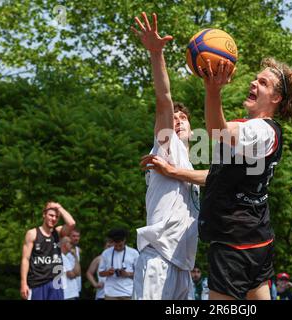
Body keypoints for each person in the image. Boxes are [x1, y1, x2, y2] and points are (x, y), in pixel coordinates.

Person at [142, 41, 292, 300]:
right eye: (255, 79)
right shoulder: (250, 130)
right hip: (257, 239)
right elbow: (216, 176)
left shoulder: (262, 130)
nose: (254, 83)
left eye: (263, 83)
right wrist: (175, 173)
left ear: (276, 98)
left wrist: (213, 89)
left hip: (234, 241)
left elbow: (215, 128)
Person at [130, 12, 203, 300]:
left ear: (193, 130)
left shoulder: (190, 166)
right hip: (159, 256)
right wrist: (156, 53)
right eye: (174, 118)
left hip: (184, 264)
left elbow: (218, 178)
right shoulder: (166, 145)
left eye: (183, 118)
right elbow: (164, 99)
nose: (177, 120)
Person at [20, 202, 76, 300]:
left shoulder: (58, 232)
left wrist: (59, 207)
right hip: (37, 282)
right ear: (44, 215)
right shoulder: (32, 233)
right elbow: (25, 259)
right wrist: (23, 283)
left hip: (56, 283)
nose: (53, 219)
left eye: (56, 217)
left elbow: (71, 223)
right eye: (51, 215)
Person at [98, 229, 139, 300]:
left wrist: (127, 274)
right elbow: (100, 273)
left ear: (124, 240)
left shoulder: (134, 253)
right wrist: (108, 272)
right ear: (112, 242)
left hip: (128, 293)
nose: (117, 247)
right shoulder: (106, 253)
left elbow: (140, 274)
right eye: (115, 244)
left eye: (120, 245)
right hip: (111, 294)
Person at [69, 228, 82, 297]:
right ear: (69, 237)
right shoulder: (65, 250)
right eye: (74, 236)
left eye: (78, 236)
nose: (76, 238)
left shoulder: (78, 250)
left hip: (77, 287)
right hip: (68, 288)